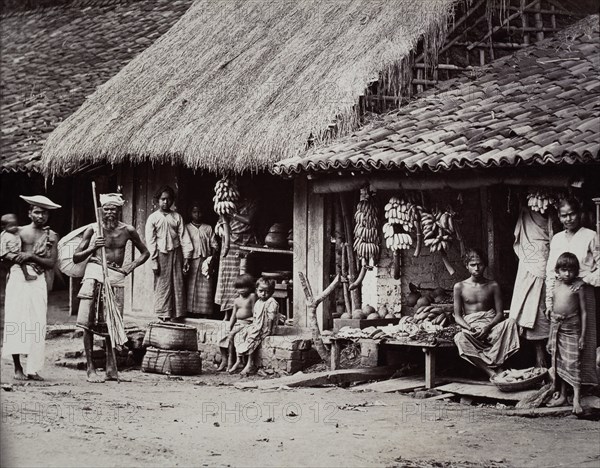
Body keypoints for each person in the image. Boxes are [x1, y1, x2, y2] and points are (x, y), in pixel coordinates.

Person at [73, 193, 149, 383]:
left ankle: (111, 368)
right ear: (101, 210)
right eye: (106, 209)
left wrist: (129, 267)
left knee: (112, 323)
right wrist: (92, 248)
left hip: (115, 277)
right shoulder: (93, 230)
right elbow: (76, 257)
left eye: (113, 209)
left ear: (119, 210)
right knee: (88, 324)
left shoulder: (128, 230)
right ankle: (90, 368)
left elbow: (145, 253)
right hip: (94, 275)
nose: (109, 213)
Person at [545, 197, 599, 402]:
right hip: (560, 293)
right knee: (559, 346)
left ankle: (583, 389)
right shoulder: (557, 238)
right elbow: (551, 271)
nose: (568, 218)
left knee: (582, 343)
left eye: (572, 214)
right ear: (559, 216)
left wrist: (585, 280)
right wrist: (549, 302)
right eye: (564, 215)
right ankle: (562, 389)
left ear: (580, 214)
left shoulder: (591, 235)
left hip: (583, 291)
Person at [1, 195, 60, 381]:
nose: (40, 216)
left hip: (38, 278)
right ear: (29, 213)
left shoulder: (51, 236)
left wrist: (31, 257)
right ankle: (17, 367)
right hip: (18, 277)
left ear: (48, 216)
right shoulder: (17, 232)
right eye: (37, 212)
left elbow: (51, 263)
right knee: (16, 320)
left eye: (44, 213)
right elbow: (5, 253)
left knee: (37, 322)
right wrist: (14, 258)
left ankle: (33, 368)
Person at [453, 248, 520, 378]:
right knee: (459, 338)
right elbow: (457, 316)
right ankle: (491, 372)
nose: (477, 268)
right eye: (473, 265)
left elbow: (500, 313)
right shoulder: (459, 287)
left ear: (485, 265)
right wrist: (469, 328)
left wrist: (488, 327)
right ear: (467, 266)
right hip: (471, 329)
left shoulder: (493, 285)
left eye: (480, 264)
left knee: (511, 322)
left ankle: (499, 365)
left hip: (491, 327)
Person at [509, 206, 552, 367]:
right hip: (530, 264)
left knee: (548, 310)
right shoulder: (527, 213)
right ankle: (539, 361)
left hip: (547, 264)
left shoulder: (554, 217)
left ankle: (552, 365)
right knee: (532, 310)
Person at [546, 253, 587, 414]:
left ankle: (576, 398)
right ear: (557, 270)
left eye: (571, 270)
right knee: (560, 362)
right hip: (557, 327)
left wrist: (583, 335)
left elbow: (584, 312)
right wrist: (550, 337)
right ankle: (563, 395)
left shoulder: (578, 287)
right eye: (564, 270)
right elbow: (552, 312)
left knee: (573, 362)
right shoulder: (555, 285)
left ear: (576, 271)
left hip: (572, 327)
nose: (567, 274)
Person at [145, 186, 192, 321]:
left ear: (172, 201)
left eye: (168, 199)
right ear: (157, 200)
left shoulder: (177, 217)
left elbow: (183, 237)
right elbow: (151, 239)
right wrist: (154, 260)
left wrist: (187, 258)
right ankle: (163, 314)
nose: (166, 202)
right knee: (162, 283)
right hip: (161, 254)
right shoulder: (153, 218)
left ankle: (176, 315)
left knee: (177, 283)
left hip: (176, 253)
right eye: (163, 199)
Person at [215, 187, 258, 320]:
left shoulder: (253, 202)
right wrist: (220, 226)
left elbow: (249, 220)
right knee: (226, 279)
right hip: (229, 243)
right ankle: (227, 314)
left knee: (240, 276)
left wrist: (232, 215)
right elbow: (221, 221)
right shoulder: (226, 201)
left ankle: (242, 314)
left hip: (244, 243)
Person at [229, 277, 279, 376]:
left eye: (267, 292)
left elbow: (271, 319)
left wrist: (269, 330)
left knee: (252, 336)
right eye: (261, 291)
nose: (264, 294)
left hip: (265, 328)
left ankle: (250, 364)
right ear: (256, 290)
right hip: (257, 325)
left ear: (272, 292)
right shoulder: (258, 302)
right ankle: (239, 360)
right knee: (240, 334)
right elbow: (255, 317)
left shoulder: (271, 302)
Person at [184, 202, 219, 316]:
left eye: (199, 212)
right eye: (194, 212)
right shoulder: (186, 227)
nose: (197, 215)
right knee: (191, 287)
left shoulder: (208, 228)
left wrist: (212, 259)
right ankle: (191, 312)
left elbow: (214, 245)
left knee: (206, 288)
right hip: (192, 260)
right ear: (190, 213)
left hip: (206, 261)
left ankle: (205, 313)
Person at [216, 274, 256, 372]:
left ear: (250, 287)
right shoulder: (237, 300)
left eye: (244, 287)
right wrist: (230, 326)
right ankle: (224, 359)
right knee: (221, 334)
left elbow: (255, 311)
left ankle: (232, 361)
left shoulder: (252, 296)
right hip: (237, 323)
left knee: (232, 335)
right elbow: (234, 315)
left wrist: (254, 324)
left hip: (247, 323)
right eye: (239, 287)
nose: (241, 290)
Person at [1, 214, 37, 281]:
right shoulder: (5, 235)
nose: (14, 227)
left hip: (15, 252)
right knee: (22, 260)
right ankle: (27, 275)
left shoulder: (16, 231)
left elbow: (25, 228)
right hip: (8, 254)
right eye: (11, 226)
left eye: (15, 225)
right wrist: (6, 255)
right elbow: (2, 247)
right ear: (4, 227)